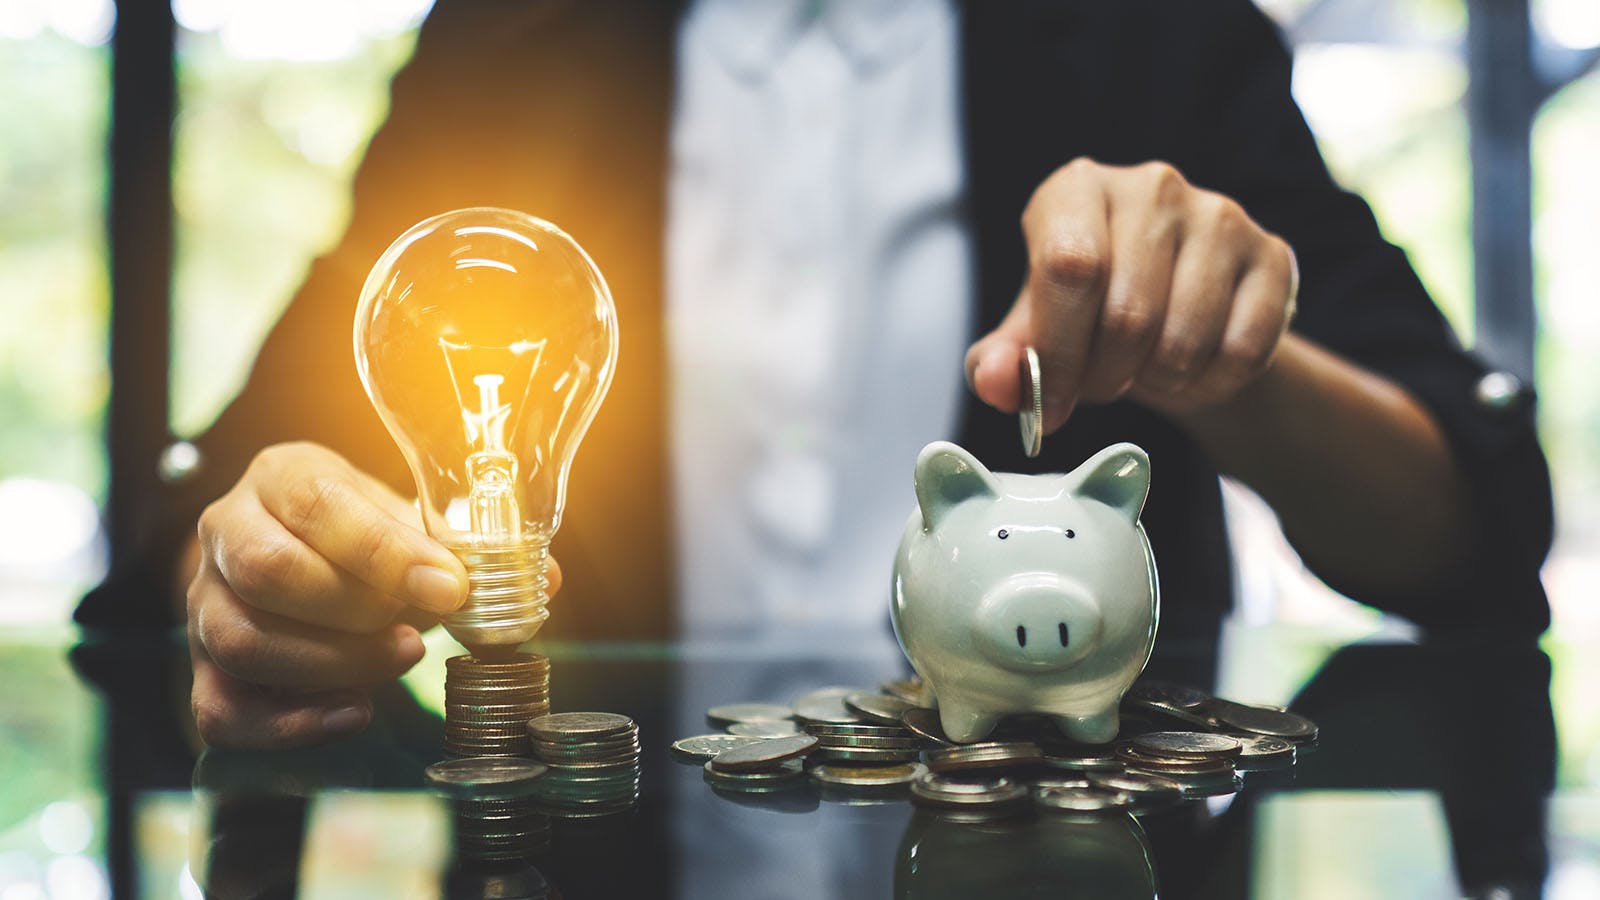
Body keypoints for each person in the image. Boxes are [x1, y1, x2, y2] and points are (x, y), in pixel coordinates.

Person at [79, 0, 1553, 749]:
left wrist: (1222, 360)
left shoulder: (1143, 25)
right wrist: (263, 562)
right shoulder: (510, 39)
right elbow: (228, 521)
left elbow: (1472, 536)